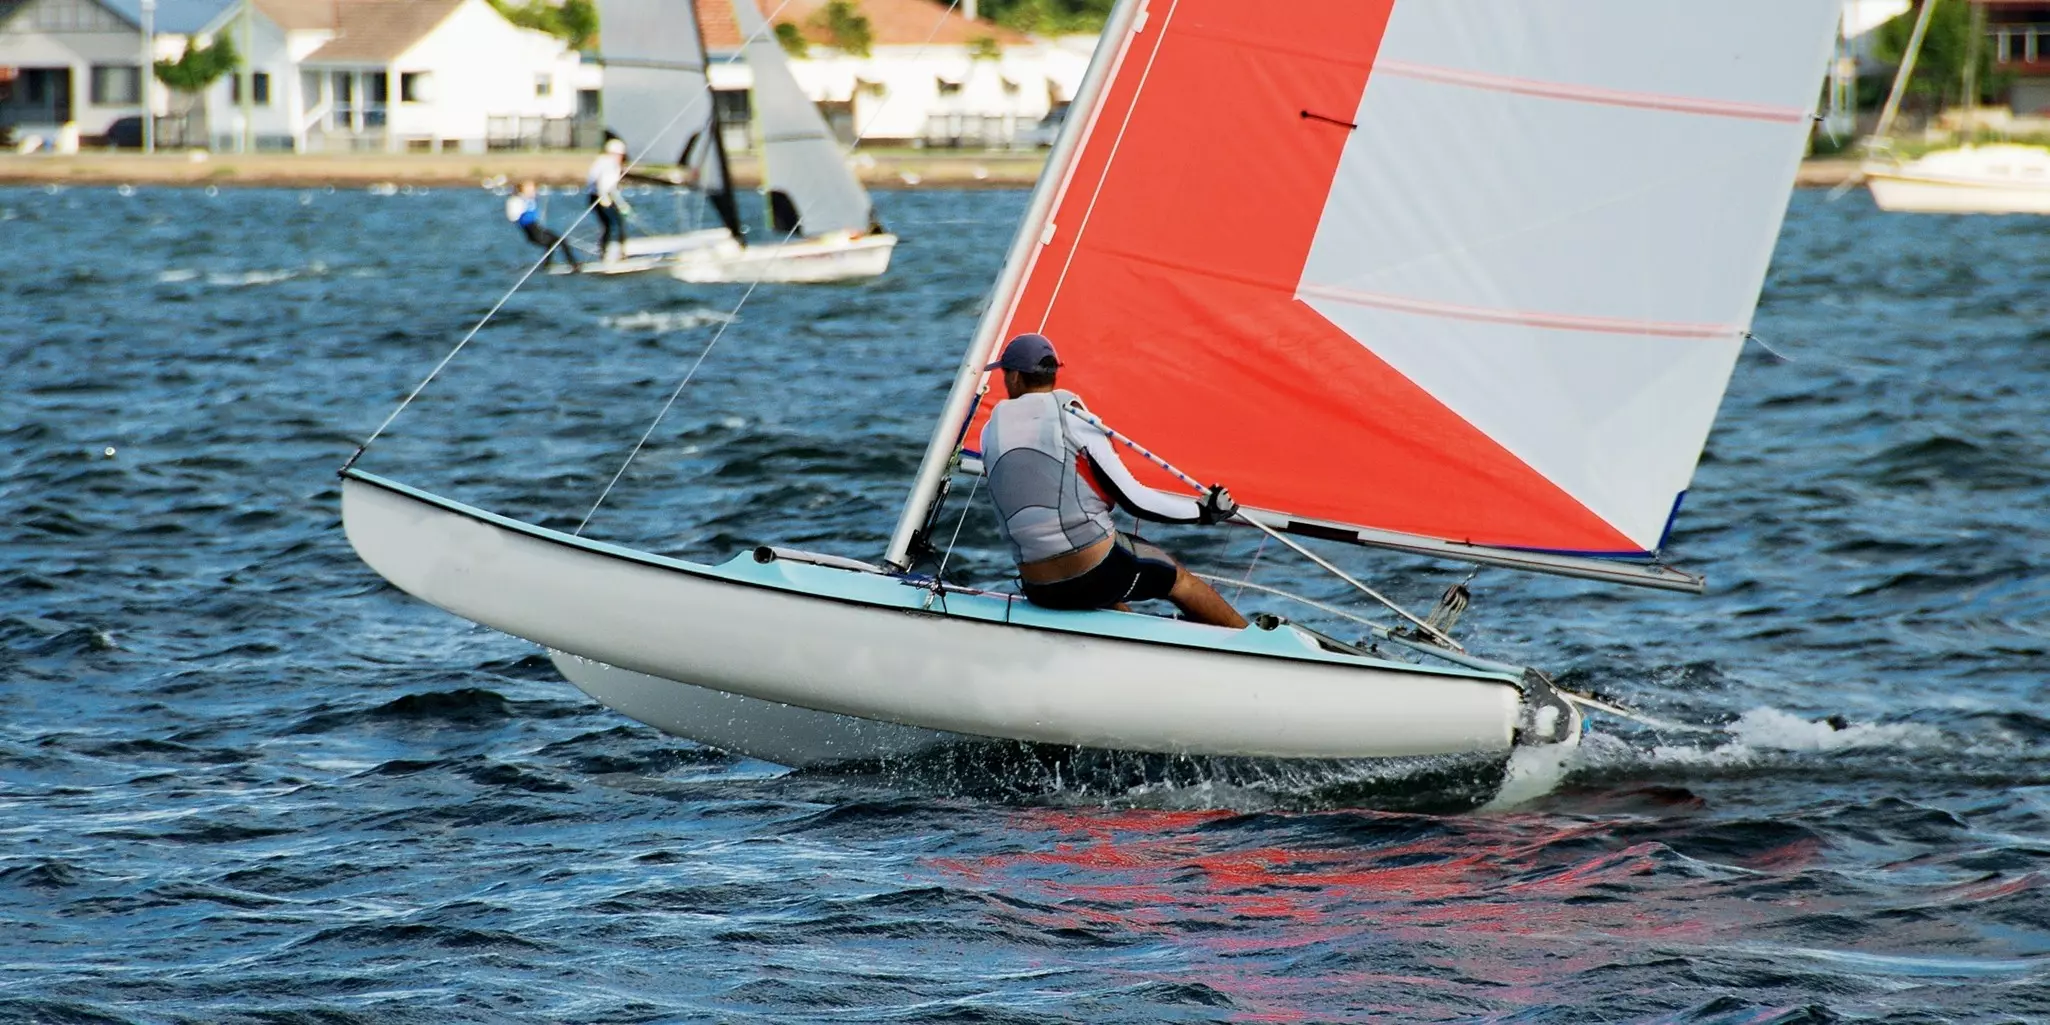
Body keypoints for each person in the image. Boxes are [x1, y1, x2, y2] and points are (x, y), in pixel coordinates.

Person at [978, 333, 1248, 628]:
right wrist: (1203, 513)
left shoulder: (989, 432)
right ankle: (1256, 646)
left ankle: (1136, 653)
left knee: (1108, 594)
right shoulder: (1076, 419)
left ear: (1015, 376)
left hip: (1039, 588)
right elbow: (1135, 501)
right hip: (1096, 571)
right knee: (1179, 580)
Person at [504, 180, 579, 271]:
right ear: (523, 190)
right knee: (557, 242)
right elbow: (513, 216)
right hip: (532, 231)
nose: (534, 190)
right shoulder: (519, 201)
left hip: (537, 228)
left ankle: (549, 265)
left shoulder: (527, 199)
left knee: (560, 241)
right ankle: (573, 265)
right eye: (531, 189)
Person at [585, 137, 629, 263]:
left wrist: (622, 204)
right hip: (600, 197)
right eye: (620, 155)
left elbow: (612, 188)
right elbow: (601, 183)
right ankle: (613, 254)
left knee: (613, 224)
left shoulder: (605, 161)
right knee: (614, 224)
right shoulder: (609, 163)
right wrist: (604, 199)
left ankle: (616, 253)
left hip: (603, 196)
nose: (621, 158)